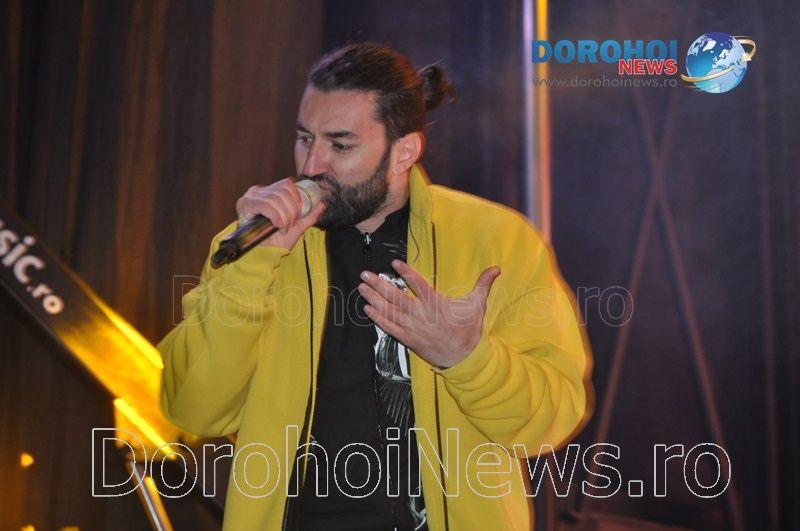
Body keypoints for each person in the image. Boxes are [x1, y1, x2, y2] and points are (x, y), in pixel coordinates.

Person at [157, 42, 592, 531]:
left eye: (340, 145)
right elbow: (191, 410)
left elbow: (549, 422)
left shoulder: (495, 240)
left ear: (404, 151)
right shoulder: (254, 245)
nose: (312, 164)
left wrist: (467, 359)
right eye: (304, 138)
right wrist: (250, 270)